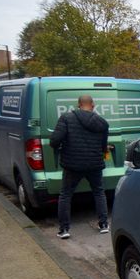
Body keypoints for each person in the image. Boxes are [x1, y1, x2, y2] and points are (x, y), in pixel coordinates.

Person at [50, 94, 110, 239]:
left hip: (72, 164)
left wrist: (60, 147)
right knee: (99, 192)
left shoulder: (66, 118)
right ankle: (103, 225)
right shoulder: (102, 123)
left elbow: (55, 141)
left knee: (66, 195)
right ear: (93, 105)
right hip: (94, 164)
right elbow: (103, 146)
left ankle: (64, 230)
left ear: (78, 105)